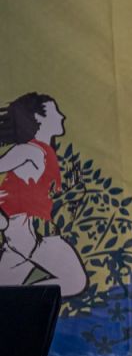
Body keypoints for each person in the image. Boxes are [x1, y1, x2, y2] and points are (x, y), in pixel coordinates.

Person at [0, 93, 87, 298]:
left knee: (5, 288)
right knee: (75, 281)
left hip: (24, 234)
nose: (62, 116)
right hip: (30, 233)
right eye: (55, 112)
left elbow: (41, 195)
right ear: (39, 118)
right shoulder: (28, 151)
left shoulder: (45, 152)